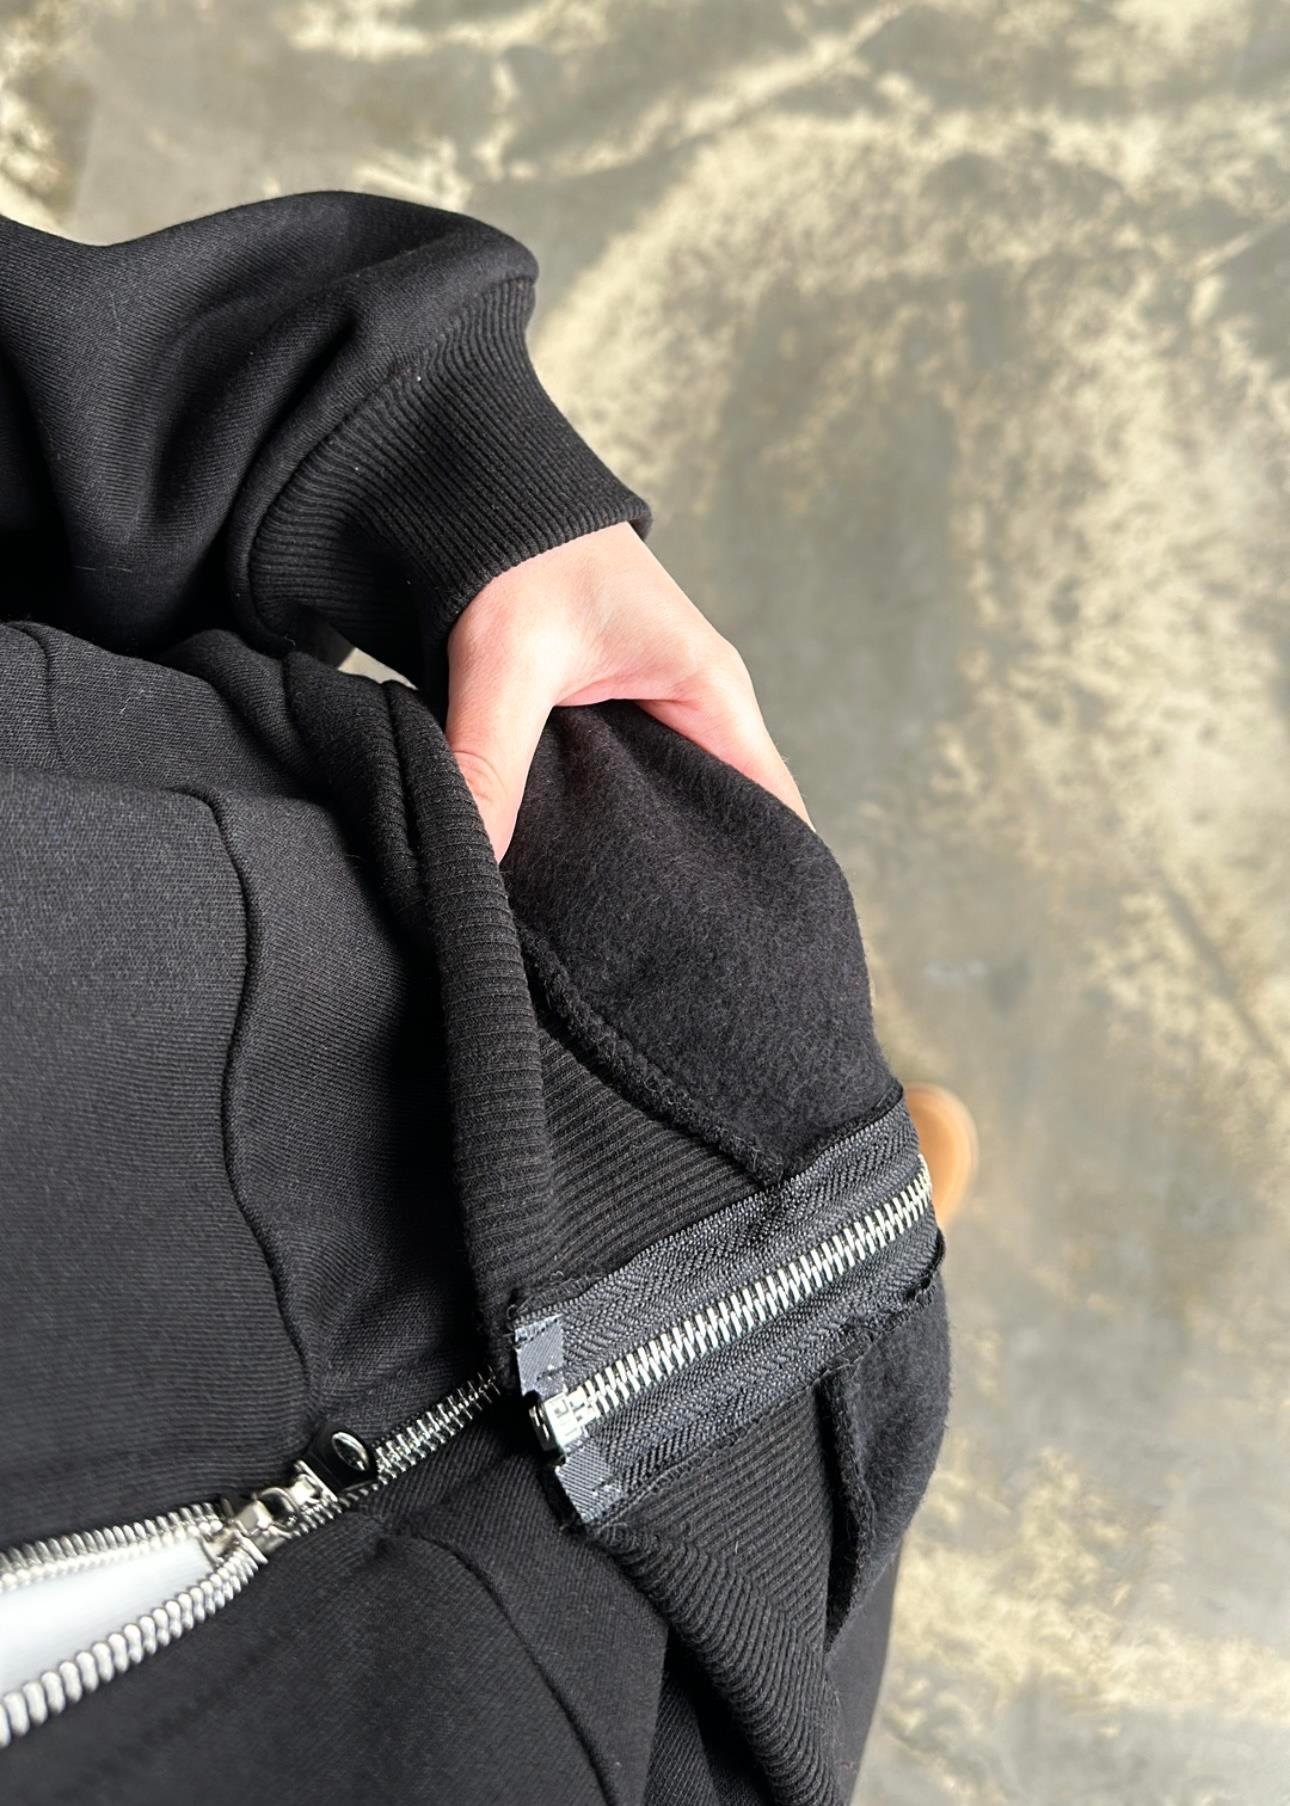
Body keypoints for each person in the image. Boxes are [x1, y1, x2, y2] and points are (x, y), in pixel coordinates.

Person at [0, 191, 971, 1803]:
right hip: (694, 1659)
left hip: (557, 941)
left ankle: (863, 1226)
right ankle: (880, 1236)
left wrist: (397, 455)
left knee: (853, 1251)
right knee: (856, 1331)